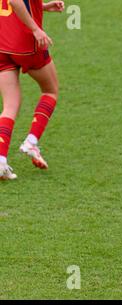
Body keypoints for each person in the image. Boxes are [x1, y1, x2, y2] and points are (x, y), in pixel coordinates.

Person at [0, 0, 64, 180]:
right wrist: (35, 29)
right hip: (25, 44)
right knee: (50, 90)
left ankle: (1, 161)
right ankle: (31, 142)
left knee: (10, 105)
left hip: (2, 43)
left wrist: (42, 7)